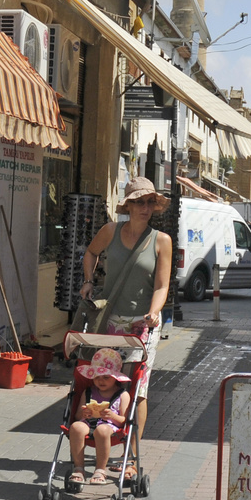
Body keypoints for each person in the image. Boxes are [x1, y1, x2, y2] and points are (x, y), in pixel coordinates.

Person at [81, 177, 173, 474]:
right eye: (139, 202)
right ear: (128, 205)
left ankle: (131, 458)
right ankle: (100, 438)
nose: (145, 208)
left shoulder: (161, 240)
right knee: (102, 381)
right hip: (108, 322)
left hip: (142, 327)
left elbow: (162, 285)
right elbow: (90, 253)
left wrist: (154, 312)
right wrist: (87, 281)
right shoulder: (110, 231)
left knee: (138, 389)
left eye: (149, 202)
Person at [69, 349, 131, 485]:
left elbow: (124, 421)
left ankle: (100, 470)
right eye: (97, 377)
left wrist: (112, 415)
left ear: (115, 377)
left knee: (102, 430)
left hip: (110, 427)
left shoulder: (122, 395)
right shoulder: (89, 391)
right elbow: (77, 415)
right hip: (88, 423)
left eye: (106, 377)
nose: (100, 381)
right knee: (75, 427)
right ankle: (79, 468)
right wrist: (84, 413)